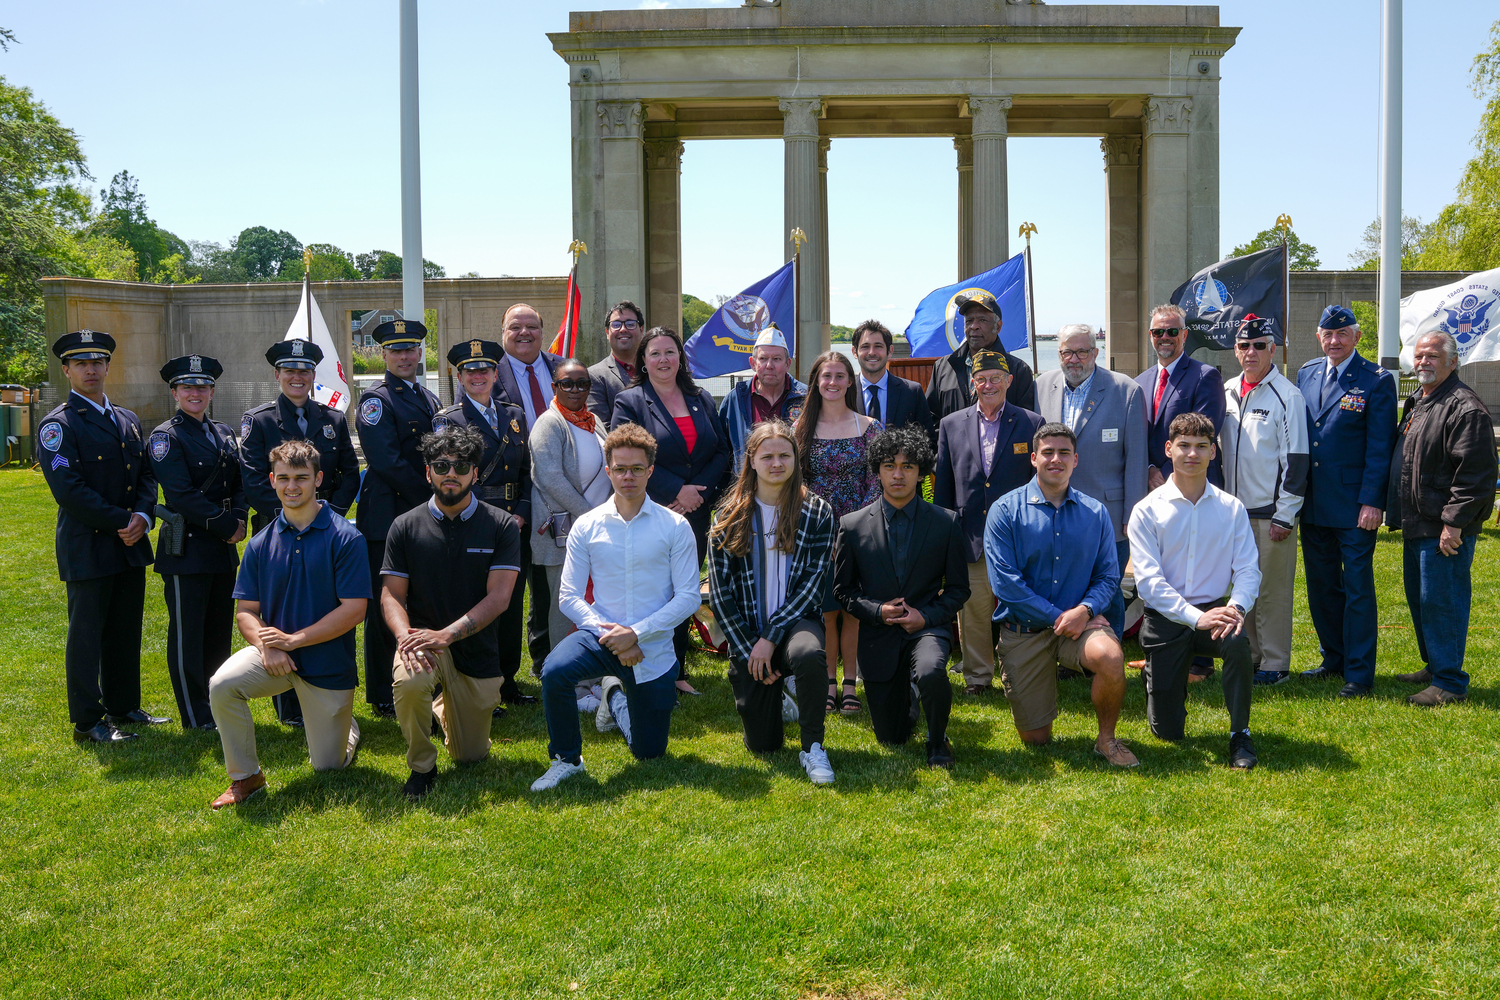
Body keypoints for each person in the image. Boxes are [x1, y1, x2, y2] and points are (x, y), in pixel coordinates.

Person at [530, 423, 702, 791]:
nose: (628, 477)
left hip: (651, 648)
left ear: (650, 471)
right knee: (555, 671)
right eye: (620, 469)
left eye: (637, 469)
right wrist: (613, 635)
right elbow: (569, 596)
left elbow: (688, 597)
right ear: (607, 471)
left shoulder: (674, 527)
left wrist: (636, 634)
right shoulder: (587, 526)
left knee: (649, 753)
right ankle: (566, 758)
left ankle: (613, 696)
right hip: (600, 638)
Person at [208, 440, 369, 808]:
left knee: (328, 767)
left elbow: (354, 610)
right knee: (222, 685)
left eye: (301, 477)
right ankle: (246, 778)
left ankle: (348, 729)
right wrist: (268, 646)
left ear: (318, 480)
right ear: (272, 480)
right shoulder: (260, 543)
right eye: (283, 478)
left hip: (326, 667)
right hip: (276, 657)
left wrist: (293, 640)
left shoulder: (346, 538)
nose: (291, 486)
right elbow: (246, 610)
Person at [38, 329, 168, 743]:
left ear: (108, 366)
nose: (90, 369)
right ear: (66, 370)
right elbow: (69, 490)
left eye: (97, 362)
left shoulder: (127, 419)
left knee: (124, 629)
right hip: (89, 544)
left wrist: (144, 517)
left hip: (130, 540)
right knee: (87, 635)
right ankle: (88, 721)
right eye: (81, 363)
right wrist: (122, 520)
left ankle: (124, 707)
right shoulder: (58, 426)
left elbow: (146, 475)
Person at [984, 423, 1138, 767]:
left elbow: (1107, 575)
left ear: (1076, 460)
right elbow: (1005, 584)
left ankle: (1107, 740)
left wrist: (1084, 610)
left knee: (1111, 658)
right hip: (1024, 629)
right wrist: (1059, 616)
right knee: (1036, 739)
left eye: (1064, 453)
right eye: (1048, 453)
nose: (1056, 459)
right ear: (1034, 458)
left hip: (1079, 625)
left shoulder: (1095, 512)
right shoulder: (1005, 511)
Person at [381, 427, 522, 799]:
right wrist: (403, 638)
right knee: (410, 681)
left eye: (461, 466)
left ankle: (445, 707)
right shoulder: (405, 526)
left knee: (470, 756)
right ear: (428, 472)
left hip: (475, 649)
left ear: (475, 473)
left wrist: (448, 634)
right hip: (424, 643)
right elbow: (391, 596)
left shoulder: (502, 525)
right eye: (441, 465)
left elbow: (500, 598)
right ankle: (422, 766)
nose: (451, 474)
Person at [1128, 413, 1262, 769]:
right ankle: (1157, 675)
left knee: (1237, 643)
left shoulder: (1231, 509)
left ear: (1213, 452)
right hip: (1166, 621)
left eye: (1202, 446)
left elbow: (1248, 569)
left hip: (1216, 612)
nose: (1192, 454)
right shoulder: (1146, 511)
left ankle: (1240, 734)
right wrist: (1196, 618)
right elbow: (1150, 585)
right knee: (1167, 732)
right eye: (1184, 446)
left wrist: (1235, 608)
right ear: (1169, 449)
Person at [708, 421, 838, 784]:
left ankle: (814, 747)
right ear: (751, 460)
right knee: (763, 744)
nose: (776, 463)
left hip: (797, 624)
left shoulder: (817, 511)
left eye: (785, 455)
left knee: (810, 654)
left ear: (796, 459)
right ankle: (779, 697)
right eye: (768, 456)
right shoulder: (728, 516)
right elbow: (720, 593)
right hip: (749, 634)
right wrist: (752, 648)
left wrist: (772, 638)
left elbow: (813, 585)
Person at [834, 425, 970, 768]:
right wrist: (877, 611)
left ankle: (938, 741)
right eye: (889, 466)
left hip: (926, 627)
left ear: (920, 471)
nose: (898, 474)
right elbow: (843, 591)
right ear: (876, 470)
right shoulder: (851, 526)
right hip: (878, 636)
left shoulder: (946, 523)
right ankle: (908, 696)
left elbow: (958, 590)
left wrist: (925, 617)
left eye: (908, 466)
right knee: (891, 737)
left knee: (931, 670)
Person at [240, 337, 360, 726]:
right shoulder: (259, 421)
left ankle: (323, 694)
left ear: (313, 376)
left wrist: (328, 514)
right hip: (278, 532)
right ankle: (287, 705)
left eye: (304, 370)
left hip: (325, 530)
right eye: (289, 370)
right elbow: (255, 479)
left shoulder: (333, 419)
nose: (297, 377)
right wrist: (291, 513)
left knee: (324, 607)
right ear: (277, 375)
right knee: (281, 612)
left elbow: (347, 473)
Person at [611, 326, 732, 695]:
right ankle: (641, 666)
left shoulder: (701, 398)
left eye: (670, 352)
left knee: (683, 591)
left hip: (693, 514)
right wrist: (675, 491)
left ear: (681, 358)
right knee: (650, 591)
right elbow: (625, 455)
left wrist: (698, 494)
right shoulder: (630, 401)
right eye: (655, 354)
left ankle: (677, 670)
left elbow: (722, 451)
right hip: (651, 511)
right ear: (643, 362)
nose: (663, 360)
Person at [1385, 331, 1497, 706]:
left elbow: (1476, 475)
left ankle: (1449, 682)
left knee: (1442, 602)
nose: (1423, 362)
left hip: (1443, 528)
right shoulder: (1419, 401)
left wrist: (1454, 523)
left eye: (1432, 356)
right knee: (1421, 601)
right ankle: (1435, 665)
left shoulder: (1464, 408)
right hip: (1418, 522)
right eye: (1418, 356)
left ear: (1453, 362)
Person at [1295, 305, 1397, 696]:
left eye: (1342, 335)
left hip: (1356, 507)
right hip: (1315, 503)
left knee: (1356, 589)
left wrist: (1372, 501)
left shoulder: (1376, 380)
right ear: (1319, 337)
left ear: (1356, 337)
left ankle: (1358, 672)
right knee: (1322, 587)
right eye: (1327, 334)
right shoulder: (1306, 373)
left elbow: (1379, 447)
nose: (1334, 341)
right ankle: (1333, 659)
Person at [933, 350, 1044, 694]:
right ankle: (978, 677)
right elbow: (945, 487)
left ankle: (1019, 670)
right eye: (982, 379)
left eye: (996, 378)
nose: (989, 384)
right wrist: (945, 535)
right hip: (970, 536)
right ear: (972, 383)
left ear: (1009, 381)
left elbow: (1038, 485)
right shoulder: (951, 425)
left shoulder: (1032, 423)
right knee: (974, 610)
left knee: (1020, 607)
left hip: (1018, 536)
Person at [147, 354, 247, 732]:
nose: (195, 393)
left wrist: (239, 516)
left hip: (223, 547)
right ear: (174, 392)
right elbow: (181, 493)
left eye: (202, 387)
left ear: (212, 392)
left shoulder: (222, 432)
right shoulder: (165, 437)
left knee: (218, 633)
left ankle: (216, 705)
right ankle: (193, 714)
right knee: (188, 636)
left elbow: (239, 482)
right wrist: (225, 524)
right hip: (186, 548)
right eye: (187, 387)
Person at [433, 339, 534, 705]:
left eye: (484, 370)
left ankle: (507, 683)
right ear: (459, 377)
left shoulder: (514, 414)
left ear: (495, 374)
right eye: (470, 371)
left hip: (514, 524)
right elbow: (448, 476)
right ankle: (473, 684)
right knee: (474, 603)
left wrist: (522, 510)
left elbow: (527, 470)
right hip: (472, 520)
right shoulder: (449, 421)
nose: (478, 376)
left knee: (508, 603)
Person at [1033, 323, 1148, 637]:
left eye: (1082, 351)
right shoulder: (1042, 386)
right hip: (1053, 510)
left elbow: (1137, 459)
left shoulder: (1125, 390)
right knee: (1060, 585)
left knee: (1107, 591)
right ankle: (1066, 654)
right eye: (1067, 352)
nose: (1074, 359)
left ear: (1096, 352)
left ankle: (1107, 657)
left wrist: (1132, 516)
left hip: (1108, 515)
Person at [353, 319, 442, 717]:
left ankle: (422, 679)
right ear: (384, 355)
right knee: (385, 604)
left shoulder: (428, 397)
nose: (405, 356)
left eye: (411, 350)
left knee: (421, 600)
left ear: (420, 353)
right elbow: (386, 460)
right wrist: (434, 495)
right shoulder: (376, 400)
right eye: (397, 350)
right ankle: (382, 691)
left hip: (422, 516)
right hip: (388, 517)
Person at [1219, 315, 1308, 687]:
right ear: (1236, 351)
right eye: (1244, 346)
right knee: (1244, 589)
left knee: (1271, 591)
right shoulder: (1225, 391)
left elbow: (1298, 461)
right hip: (1234, 515)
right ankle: (1252, 656)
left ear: (1273, 349)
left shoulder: (1287, 396)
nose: (1251, 352)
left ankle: (1275, 662)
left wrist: (1285, 515)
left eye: (1259, 345)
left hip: (1271, 514)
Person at [794, 350, 882, 716]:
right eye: (825, 376)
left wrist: (852, 529)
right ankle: (829, 682)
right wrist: (822, 526)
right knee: (827, 612)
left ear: (850, 381)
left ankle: (851, 683)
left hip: (860, 533)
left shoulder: (870, 427)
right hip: (815, 533)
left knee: (854, 612)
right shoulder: (799, 427)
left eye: (839, 376)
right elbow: (794, 481)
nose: (832, 382)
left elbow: (876, 481)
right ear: (815, 381)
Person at [493, 302, 566, 668]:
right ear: (503, 333)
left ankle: (552, 656)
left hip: (562, 490)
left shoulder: (563, 367)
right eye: (514, 328)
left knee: (554, 578)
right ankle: (515, 666)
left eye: (531, 327)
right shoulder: (489, 373)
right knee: (515, 577)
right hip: (513, 496)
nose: (524, 333)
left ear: (542, 329)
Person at [530, 359, 613, 654]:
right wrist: (592, 516)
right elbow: (550, 478)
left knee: (594, 600)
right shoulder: (549, 424)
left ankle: (592, 673)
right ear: (555, 387)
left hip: (598, 530)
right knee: (566, 605)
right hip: (564, 533)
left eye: (582, 383)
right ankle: (567, 678)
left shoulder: (593, 421)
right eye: (567, 383)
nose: (575, 389)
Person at [1134, 303, 1226, 491]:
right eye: (1158, 332)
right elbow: (1135, 436)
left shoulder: (1205, 376)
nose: (1165, 337)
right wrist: (1149, 470)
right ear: (1151, 336)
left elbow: (1203, 433)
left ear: (1184, 335)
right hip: (1149, 487)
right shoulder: (1138, 383)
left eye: (1172, 331)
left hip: (1193, 486)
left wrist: (1164, 475)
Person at [925, 289, 1036, 421]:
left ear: (998, 326)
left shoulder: (1019, 370)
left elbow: (1025, 423)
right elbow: (930, 418)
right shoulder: (943, 367)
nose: (974, 326)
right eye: (969, 321)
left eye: (982, 320)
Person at [718, 325, 809, 470]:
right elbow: (721, 451)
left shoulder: (807, 398)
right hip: (748, 489)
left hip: (794, 489)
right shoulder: (735, 400)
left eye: (777, 359)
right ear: (753, 363)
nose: (769, 365)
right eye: (763, 358)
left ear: (787, 364)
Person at [852, 319, 933, 439]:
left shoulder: (912, 392)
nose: (872, 352)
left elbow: (928, 440)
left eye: (878, 346)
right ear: (855, 352)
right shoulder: (845, 392)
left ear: (890, 351)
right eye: (865, 346)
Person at [587, 300, 644, 421]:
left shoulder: (655, 368)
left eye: (630, 324)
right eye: (616, 324)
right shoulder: (593, 376)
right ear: (607, 332)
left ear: (641, 329)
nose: (623, 329)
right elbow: (601, 427)